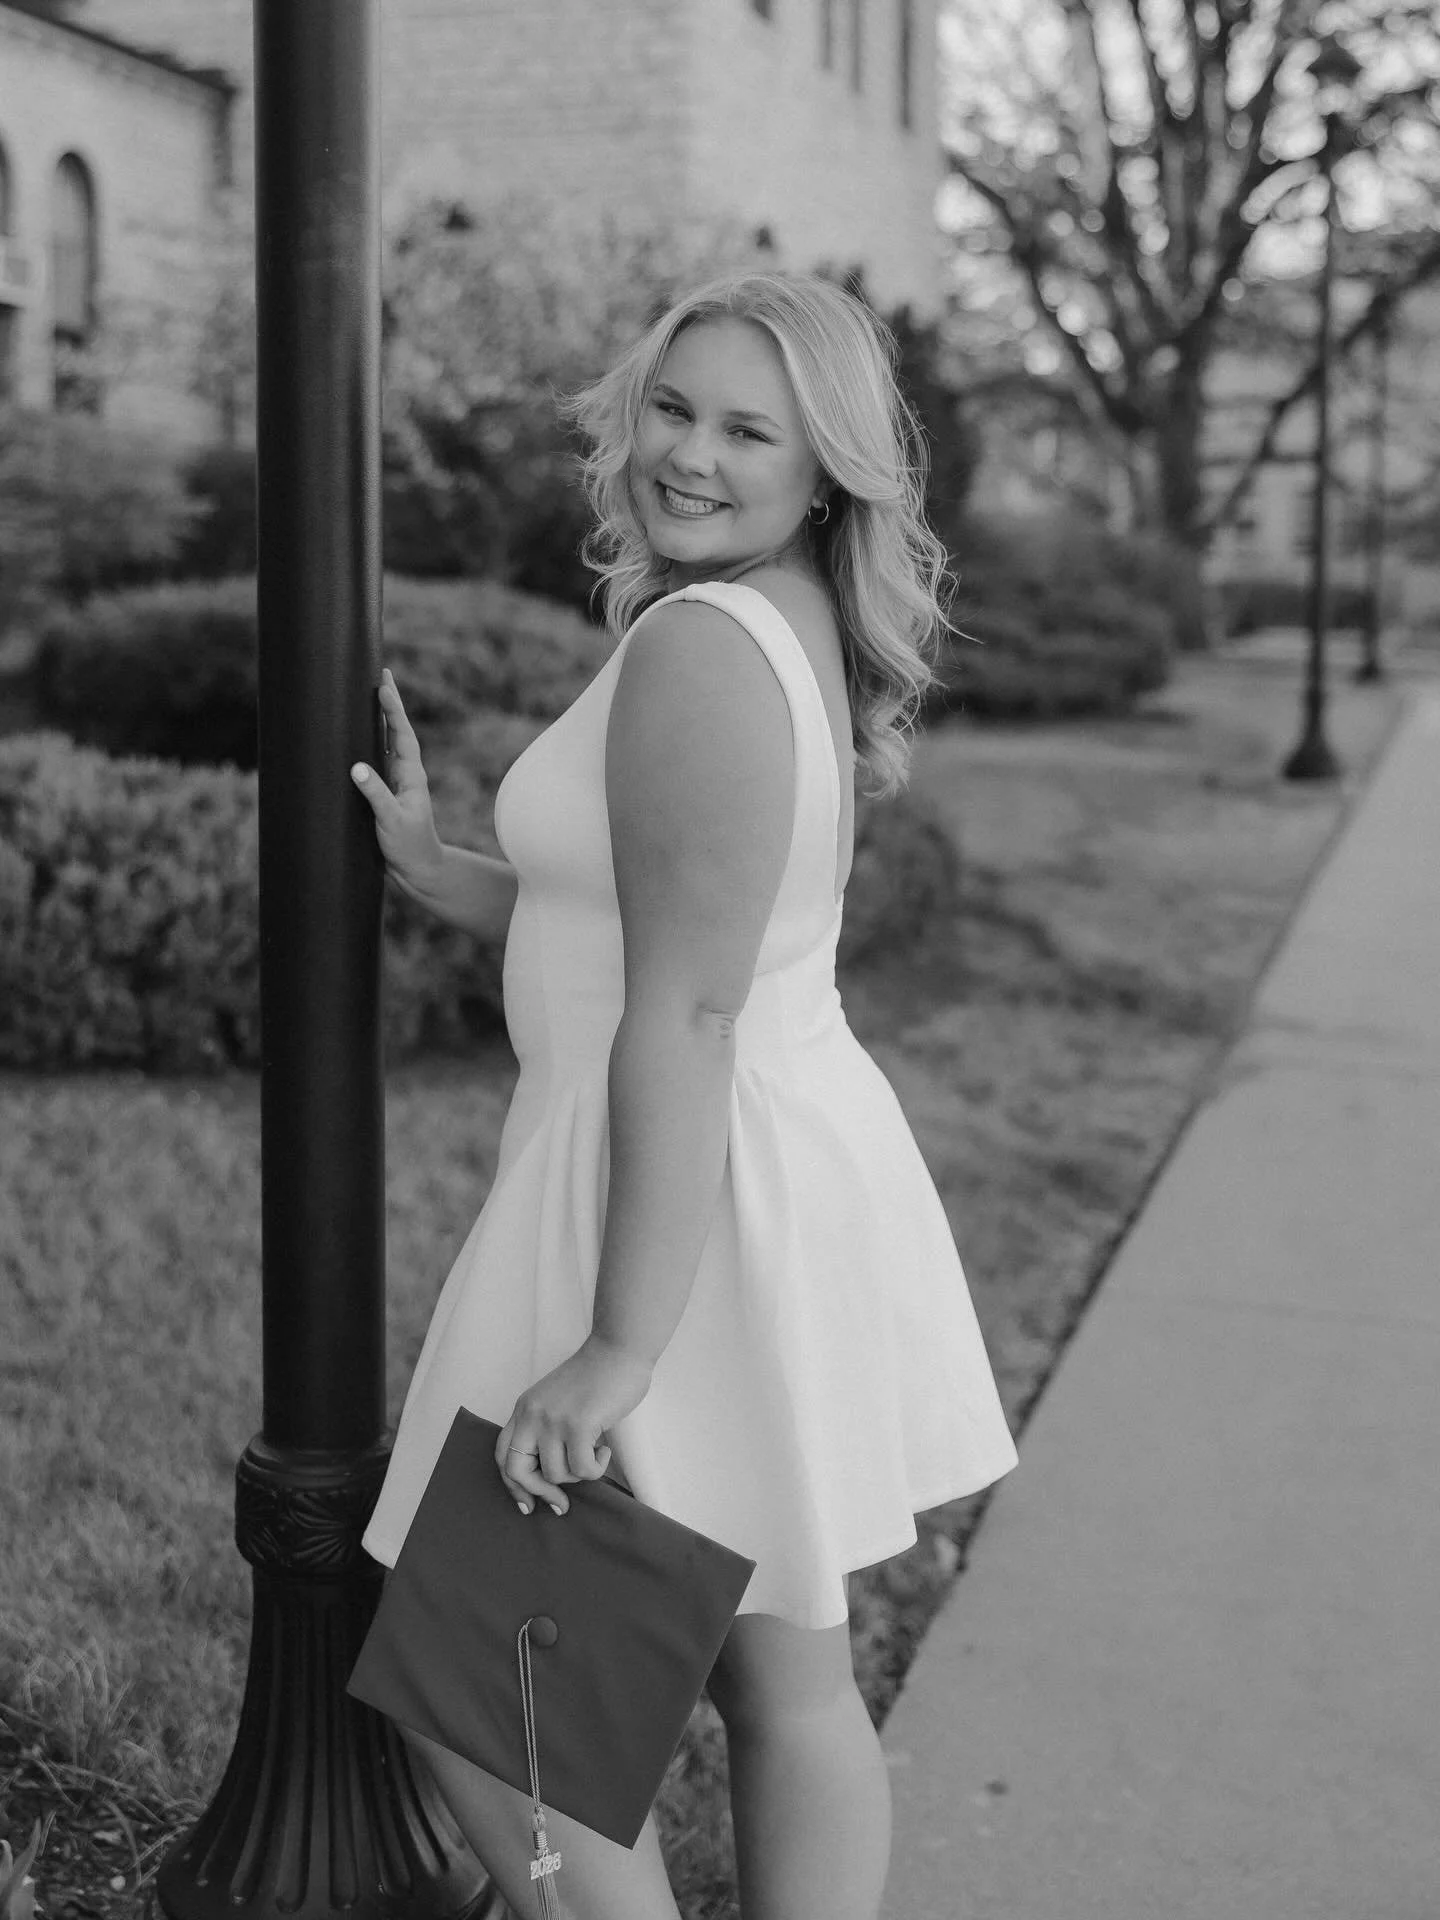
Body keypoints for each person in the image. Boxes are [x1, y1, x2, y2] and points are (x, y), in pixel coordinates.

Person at [349, 269, 1018, 1920]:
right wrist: (456, 878)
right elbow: (666, 918)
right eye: (672, 407)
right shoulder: (760, 614)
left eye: (746, 430)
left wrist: (618, 1344)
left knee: (471, 1671)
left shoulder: (705, 649)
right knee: (782, 1676)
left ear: (825, 469)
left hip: (674, 1190)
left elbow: (690, 1003)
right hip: (754, 1162)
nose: (690, 456)